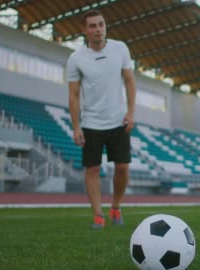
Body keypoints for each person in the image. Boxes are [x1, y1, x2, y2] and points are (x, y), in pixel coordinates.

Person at [67, 10, 136, 229]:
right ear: (84, 30)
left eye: (101, 24)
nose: (98, 29)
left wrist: (131, 112)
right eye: (93, 26)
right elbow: (74, 94)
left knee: (123, 168)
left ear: (105, 26)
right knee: (92, 170)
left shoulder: (120, 49)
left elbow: (129, 81)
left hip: (118, 121)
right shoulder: (76, 58)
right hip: (91, 123)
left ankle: (115, 208)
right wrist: (76, 126)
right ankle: (98, 216)